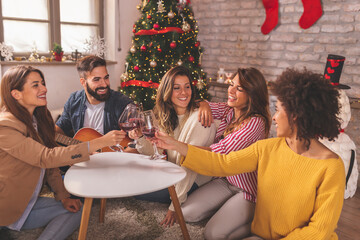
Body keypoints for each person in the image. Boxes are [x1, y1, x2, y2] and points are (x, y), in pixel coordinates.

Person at [155, 68, 345, 239]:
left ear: (297, 116)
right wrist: (174, 144)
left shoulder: (331, 168)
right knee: (202, 225)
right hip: (249, 214)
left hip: (252, 198)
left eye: (278, 110)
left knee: (214, 234)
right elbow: (222, 163)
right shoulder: (269, 147)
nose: (274, 118)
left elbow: (319, 231)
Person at [0, 65, 126, 240]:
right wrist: (98, 143)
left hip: (28, 201)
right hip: (6, 205)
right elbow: (45, 157)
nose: (44, 89)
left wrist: (63, 196)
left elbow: (51, 165)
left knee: (77, 209)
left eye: (43, 83)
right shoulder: (5, 126)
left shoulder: (37, 119)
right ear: (16, 94)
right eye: (35, 85)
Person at [179, 67, 271, 239]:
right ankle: (226, 212)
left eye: (239, 89)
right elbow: (197, 104)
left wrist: (178, 147)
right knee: (185, 213)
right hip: (224, 181)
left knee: (213, 234)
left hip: (246, 190)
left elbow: (217, 154)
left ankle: (257, 224)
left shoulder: (256, 123)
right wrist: (204, 104)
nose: (231, 90)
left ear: (252, 95)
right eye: (231, 84)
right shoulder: (230, 111)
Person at [129, 66, 217, 227]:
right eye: (177, 88)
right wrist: (141, 137)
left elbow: (191, 166)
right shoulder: (165, 116)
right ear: (167, 92)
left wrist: (175, 204)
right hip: (173, 173)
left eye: (187, 87)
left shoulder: (200, 120)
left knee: (135, 191)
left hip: (194, 180)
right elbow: (154, 151)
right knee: (131, 178)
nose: (184, 93)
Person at [55, 55, 133, 143]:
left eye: (106, 78)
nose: (104, 84)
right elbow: (60, 128)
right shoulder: (74, 101)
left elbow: (137, 138)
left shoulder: (122, 103)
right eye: (97, 79)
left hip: (115, 155)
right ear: (83, 82)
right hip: (85, 156)